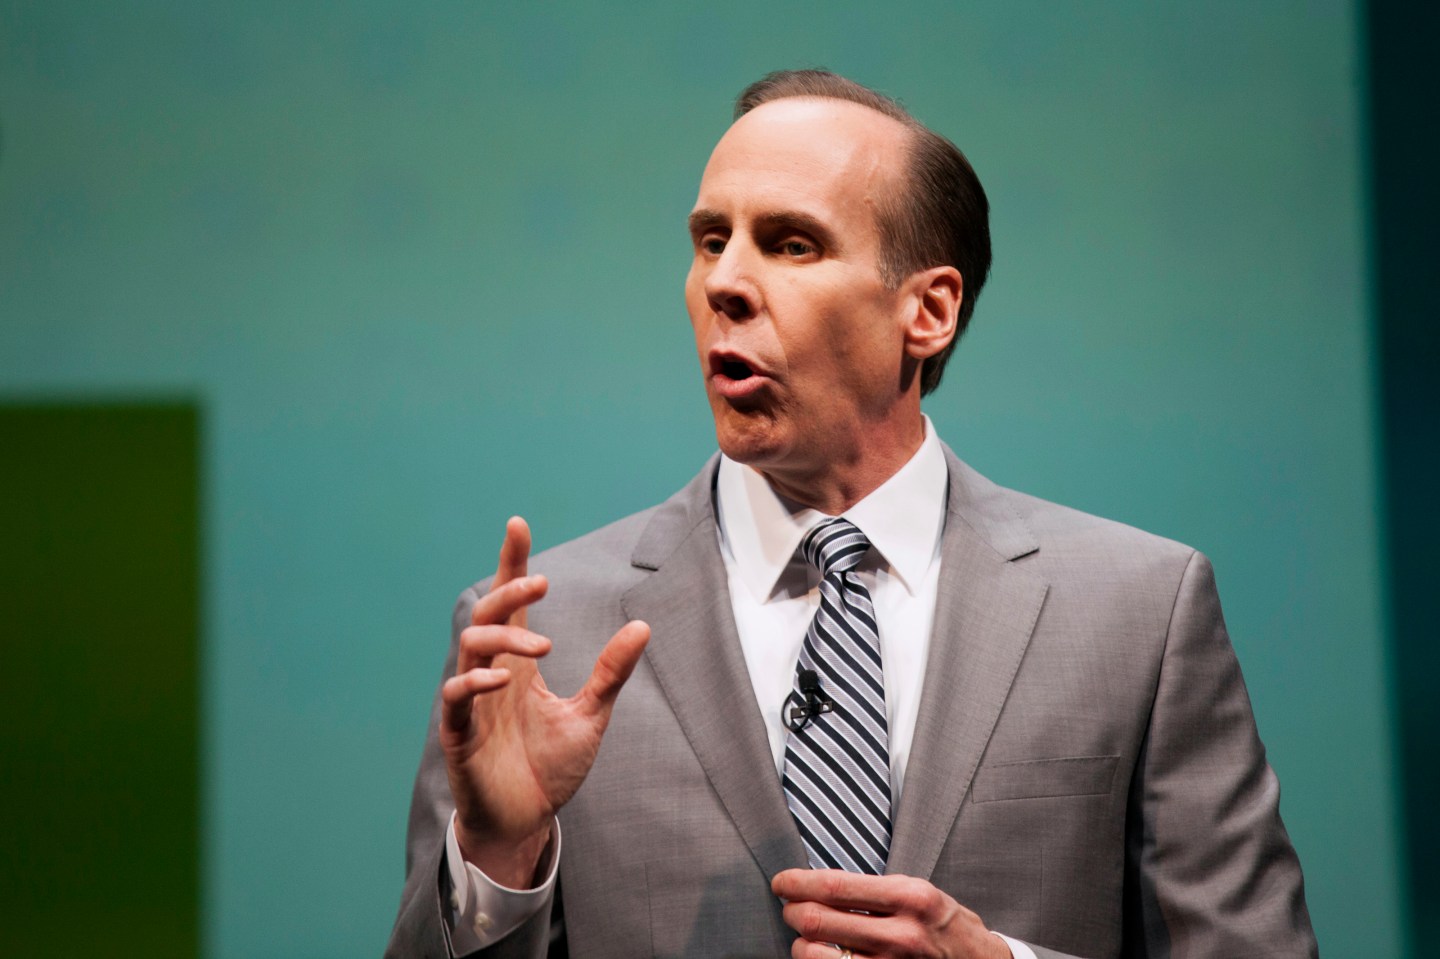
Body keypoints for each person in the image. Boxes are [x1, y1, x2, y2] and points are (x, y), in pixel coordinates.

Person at [386, 70, 1316, 959]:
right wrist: (499, 859)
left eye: (791, 243)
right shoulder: (538, 638)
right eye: (712, 240)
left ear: (929, 311)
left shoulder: (1135, 614)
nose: (724, 283)